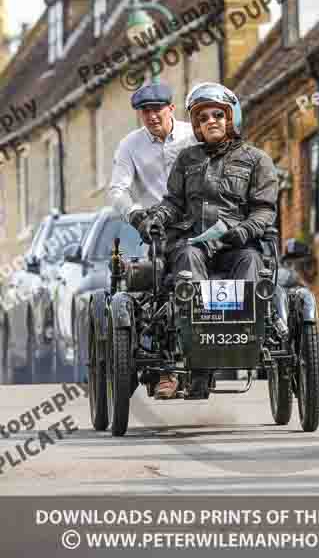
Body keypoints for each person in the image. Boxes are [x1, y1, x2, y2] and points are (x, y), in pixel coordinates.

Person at [135, 82, 279, 399]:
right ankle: (199, 346)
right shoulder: (187, 160)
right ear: (197, 126)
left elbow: (264, 210)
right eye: (202, 118)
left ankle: (243, 334)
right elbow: (173, 202)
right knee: (185, 254)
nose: (210, 121)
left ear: (230, 118)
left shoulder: (256, 160)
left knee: (252, 260)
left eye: (217, 114)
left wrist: (243, 231)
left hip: (237, 246)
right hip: (196, 244)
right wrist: (157, 217)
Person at [108, 82, 196, 228]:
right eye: (145, 111)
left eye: (157, 109)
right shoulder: (129, 145)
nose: (152, 116)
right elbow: (118, 189)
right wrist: (133, 213)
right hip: (159, 230)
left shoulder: (193, 135)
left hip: (197, 224)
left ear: (171, 108)